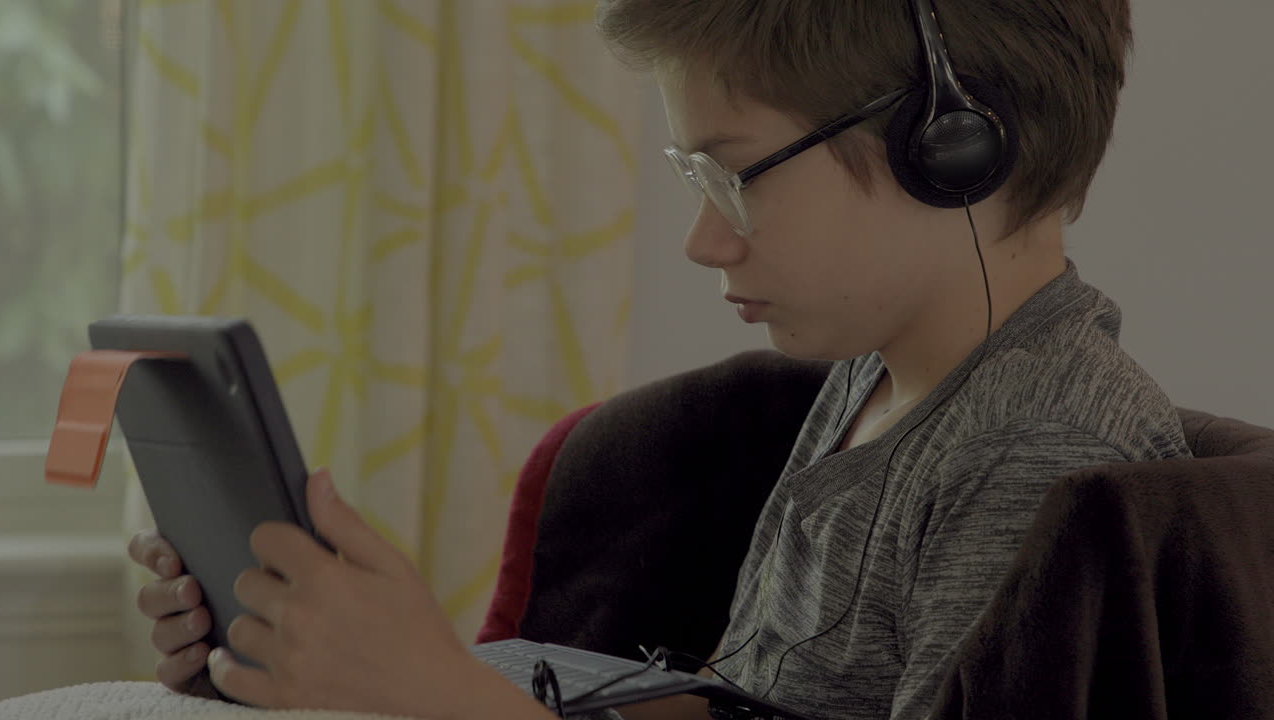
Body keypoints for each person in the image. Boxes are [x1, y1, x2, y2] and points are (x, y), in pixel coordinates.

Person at [127, 0, 1191, 718]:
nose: (702, 239)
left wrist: (444, 697)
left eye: (733, 176)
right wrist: (347, 661)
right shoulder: (881, 380)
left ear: (951, 145)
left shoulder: (1038, 451)